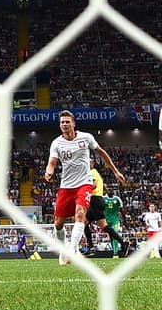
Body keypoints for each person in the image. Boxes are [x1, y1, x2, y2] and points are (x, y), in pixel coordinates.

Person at [44, 110, 125, 265]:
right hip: (66, 186)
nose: (65, 124)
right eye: (62, 122)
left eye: (67, 122)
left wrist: (115, 171)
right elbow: (52, 162)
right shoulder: (57, 143)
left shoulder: (86, 138)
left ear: (74, 123)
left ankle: (72, 251)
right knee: (58, 223)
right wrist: (49, 171)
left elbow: (101, 153)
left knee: (80, 214)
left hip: (84, 183)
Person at [83, 168, 130, 257]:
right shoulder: (94, 173)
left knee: (104, 226)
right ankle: (91, 247)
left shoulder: (92, 172)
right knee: (84, 223)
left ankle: (123, 243)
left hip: (95, 200)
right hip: (95, 201)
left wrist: (83, 190)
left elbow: (94, 185)